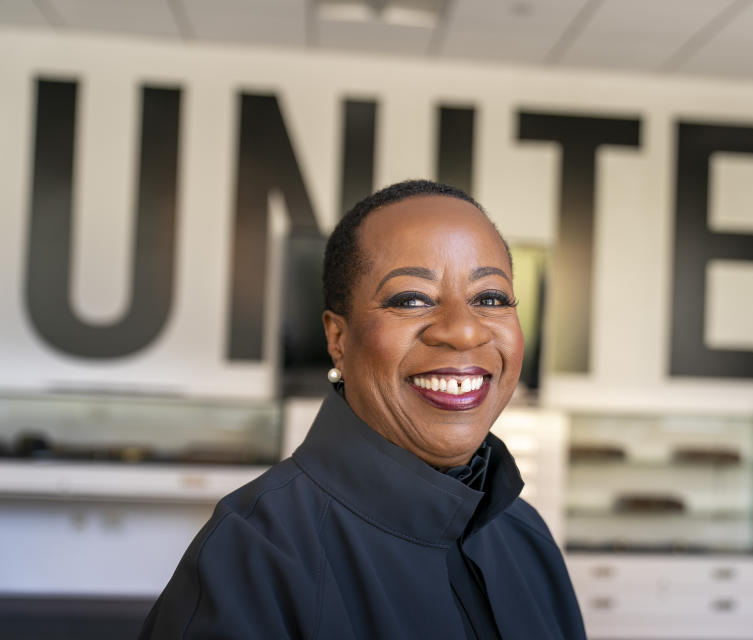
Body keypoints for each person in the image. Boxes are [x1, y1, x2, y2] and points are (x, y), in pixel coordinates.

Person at [140, 180, 586, 639]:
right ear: (338, 339)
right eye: (410, 299)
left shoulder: (526, 535)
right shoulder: (253, 552)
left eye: (490, 298)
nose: (464, 332)